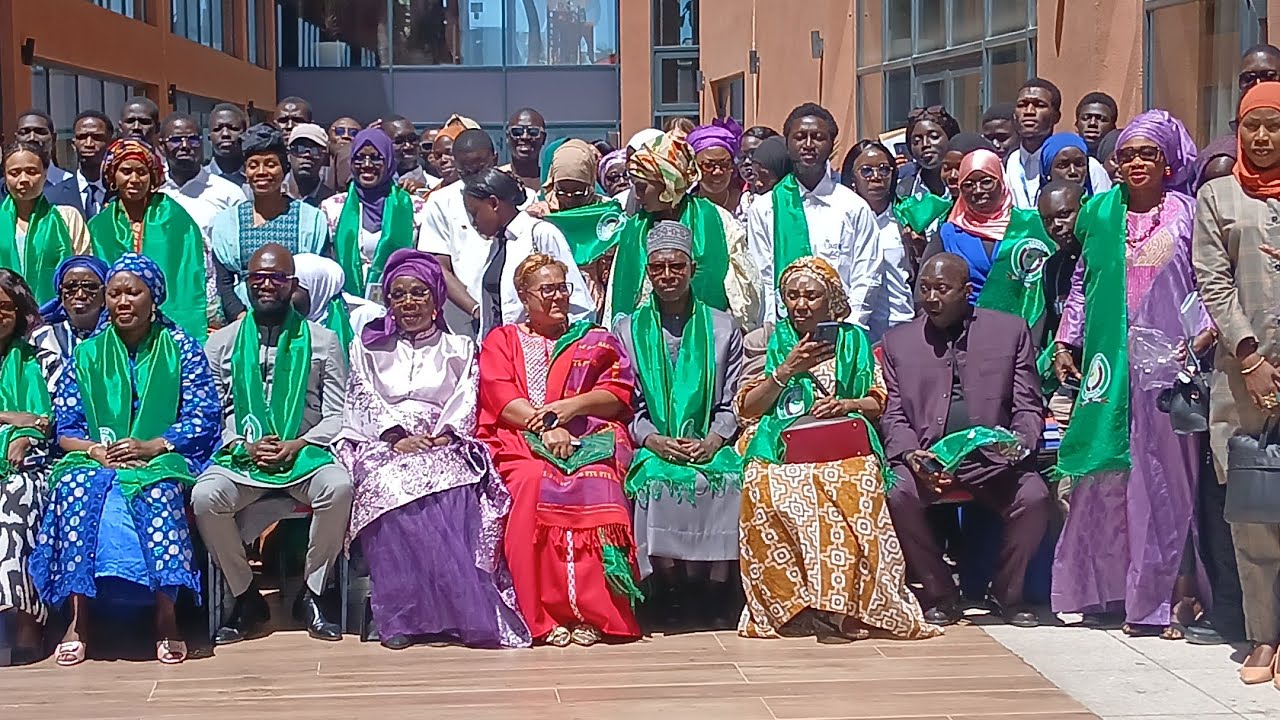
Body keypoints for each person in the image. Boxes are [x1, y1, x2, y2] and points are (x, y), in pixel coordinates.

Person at [1051, 109, 1213, 638]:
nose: (1136, 162)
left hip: (1171, 366)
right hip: (1107, 364)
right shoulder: (1098, 212)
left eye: (1148, 154)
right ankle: (1105, 592)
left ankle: (1163, 599)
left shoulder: (1189, 214)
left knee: (1164, 481)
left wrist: (1201, 338)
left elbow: (1209, 283)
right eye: (1126, 155)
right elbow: (1082, 280)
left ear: (1168, 162)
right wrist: (1066, 338)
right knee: (1102, 476)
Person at [733, 255, 940, 641]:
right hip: (784, 443)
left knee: (852, 485)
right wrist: (785, 371)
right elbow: (747, 407)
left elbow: (877, 400)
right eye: (792, 296)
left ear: (831, 301)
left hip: (842, 442)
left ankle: (841, 608)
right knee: (766, 486)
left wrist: (846, 404)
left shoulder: (854, 341)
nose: (801, 304)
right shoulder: (773, 341)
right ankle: (792, 607)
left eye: (811, 296)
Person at [30, 253, 220, 666]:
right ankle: (79, 619)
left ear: (154, 299)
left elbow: (203, 416)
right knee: (75, 489)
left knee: (156, 490)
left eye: (133, 292)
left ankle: (165, 617)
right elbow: (66, 428)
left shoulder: (182, 348)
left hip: (162, 456)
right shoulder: (87, 354)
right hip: (96, 458)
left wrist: (153, 445)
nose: (122, 301)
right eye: (113, 294)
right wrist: (96, 451)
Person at [337, 249, 529, 650]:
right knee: (387, 488)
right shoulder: (367, 346)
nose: (409, 303)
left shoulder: (459, 347)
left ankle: (452, 612)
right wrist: (395, 436)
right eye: (399, 294)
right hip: (382, 442)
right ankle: (402, 614)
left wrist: (444, 436)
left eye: (419, 293)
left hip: (443, 438)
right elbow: (362, 396)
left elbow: (466, 397)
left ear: (437, 297)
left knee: (455, 490)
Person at [477, 253, 643, 647]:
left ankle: (594, 615)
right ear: (524, 295)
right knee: (535, 481)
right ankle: (543, 616)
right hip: (519, 439)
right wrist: (546, 425)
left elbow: (617, 393)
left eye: (563, 288)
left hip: (588, 433)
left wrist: (572, 408)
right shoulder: (504, 339)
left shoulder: (595, 338)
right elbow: (501, 395)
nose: (558, 298)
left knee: (596, 482)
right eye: (547, 290)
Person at [881, 253, 1051, 627]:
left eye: (942, 289)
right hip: (930, 463)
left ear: (966, 291)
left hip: (995, 461)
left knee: (1035, 497)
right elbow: (893, 414)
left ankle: (1007, 594)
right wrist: (912, 455)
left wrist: (1019, 444)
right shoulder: (899, 342)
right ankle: (941, 591)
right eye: (924, 289)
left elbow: (1028, 405)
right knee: (898, 494)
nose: (931, 298)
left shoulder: (1009, 331)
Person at [194, 244, 352, 645]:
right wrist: (241, 445)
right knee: (205, 496)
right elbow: (212, 415)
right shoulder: (221, 344)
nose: (267, 285)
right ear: (246, 284)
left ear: (292, 284)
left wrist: (300, 442)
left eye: (276, 278)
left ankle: (312, 594)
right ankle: (246, 596)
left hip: (305, 456)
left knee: (339, 487)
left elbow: (337, 414)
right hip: (242, 458)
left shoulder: (325, 341)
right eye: (258, 278)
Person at [613, 221, 744, 629]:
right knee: (654, 481)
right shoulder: (627, 329)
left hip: (708, 440)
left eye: (676, 267)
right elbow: (624, 404)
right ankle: (668, 589)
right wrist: (652, 440)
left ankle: (715, 590)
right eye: (658, 269)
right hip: (653, 444)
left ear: (692, 268)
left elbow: (733, 401)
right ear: (648, 273)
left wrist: (713, 439)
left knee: (727, 479)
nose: (667, 276)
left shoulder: (723, 327)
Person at [1194, 81, 1280, 681]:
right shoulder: (1217, 197)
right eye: (1253, 125)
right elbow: (1213, 280)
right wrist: (1250, 359)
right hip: (1241, 376)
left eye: (1274, 125)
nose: (1263, 137)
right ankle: (1263, 637)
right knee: (1253, 511)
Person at [747, 103, 881, 329]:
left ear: (831, 145)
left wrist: (850, 326)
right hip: (783, 332)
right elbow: (763, 276)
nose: (808, 145)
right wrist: (773, 331)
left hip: (841, 331)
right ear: (788, 144)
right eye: (800, 137)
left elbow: (867, 273)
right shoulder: (765, 207)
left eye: (818, 137)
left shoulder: (853, 207)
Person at [611, 132, 760, 331]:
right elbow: (617, 288)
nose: (637, 196)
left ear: (666, 184)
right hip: (644, 337)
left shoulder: (717, 219)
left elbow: (743, 284)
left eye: (642, 187)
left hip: (710, 335)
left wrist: (728, 330)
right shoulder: (634, 228)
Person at [920, 149, 1056, 345]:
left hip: (1026, 335)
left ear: (1001, 180)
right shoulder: (949, 233)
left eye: (986, 181)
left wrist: (1034, 342)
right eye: (968, 184)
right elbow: (923, 289)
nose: (977, 190)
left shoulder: (1030, 225)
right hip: (964, 340)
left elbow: (1044, 289)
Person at [0, 270, 66, 664]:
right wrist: (12, 417)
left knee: (16, 503)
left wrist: (28, 431)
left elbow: (53, 420)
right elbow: (28, 417)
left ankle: (27, 620)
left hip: (32, 465)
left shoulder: (42, 361)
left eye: (6, 306)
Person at [89, 139, 209, 339]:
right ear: (113, 176)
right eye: (126, 171)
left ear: (152, 176)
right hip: (116, 322)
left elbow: (195, 269)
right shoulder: (99, 225)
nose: (134, 179)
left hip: (172, 321)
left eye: (142, 172)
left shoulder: (174, 216)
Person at [452, 168, 593, 337]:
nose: (474, 222)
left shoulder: (540, 234)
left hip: (539, 349)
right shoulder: (498, 245)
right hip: (502, 351)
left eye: (475, 213)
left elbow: (579, 305)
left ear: (494, 203)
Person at [211, 124, 331, 322]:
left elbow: (321, 273)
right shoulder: (228, 223)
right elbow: (224, 282)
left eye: (270, 164)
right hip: (245, 321)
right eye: (253, 165)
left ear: (284, 169)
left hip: (299, 322)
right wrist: (241, 317)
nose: (261, 172)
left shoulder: (311, 219)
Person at [320, 129, 427, 299]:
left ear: (390, 160)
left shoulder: (415, 207)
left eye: (376, 158)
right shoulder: (332, 208)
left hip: (400, 305)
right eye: (360, 158)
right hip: (347, 307)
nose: (367, 164)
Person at [1, 141, 90, 303]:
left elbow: (84, 270)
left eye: (32, 172)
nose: (23, 180)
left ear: (45, 173)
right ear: (5, 176)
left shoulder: (68, 218)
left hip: (57, 317)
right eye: (14, 173)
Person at [841, 140, 911, 342]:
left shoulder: (905, 217)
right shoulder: (843, 219)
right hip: (859, 329)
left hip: (902, 325)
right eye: (866, 171)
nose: (876, 177)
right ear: (852, 178)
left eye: (884, 170)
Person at [540, 140, 620, 317]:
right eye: (562, 190)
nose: (569, 199)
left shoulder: (607, 213)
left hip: (600, 301)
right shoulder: (540, 214)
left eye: (578, 192)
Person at [1005, 79, 1112, 208]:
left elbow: (1103, 214)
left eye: (1039, 105)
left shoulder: (1088, 166)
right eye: (1022, 105)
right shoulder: (1008, 164)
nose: (1029, 111)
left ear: (1056, 116)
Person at [156, 112, 248, 241]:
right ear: (161, 146)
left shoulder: (229, 193)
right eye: (176, 140)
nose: (185, 146)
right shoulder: (154, 192)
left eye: (192, 140)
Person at [1036, 179, 1084, 348]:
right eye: (1047, 220)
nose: (1056, 225)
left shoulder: (1111, 258)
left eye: (1064, 215)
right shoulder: (1052, 268)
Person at [38, 256, 108, 360]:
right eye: (71, 287)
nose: (80, 295)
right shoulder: (45, 337)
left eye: (90, 287)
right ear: (60, 294)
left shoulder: (115, 336)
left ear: (104, 294)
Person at [13, 110, 81, 213]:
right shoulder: (5, 186)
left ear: (53, 138)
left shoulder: (72, 183)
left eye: (40, 132)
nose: (32, 138)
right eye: (25, 132)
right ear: (16, 138)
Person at [897, 106, 961, 200]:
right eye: (917, 140)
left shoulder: (967, 182)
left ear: (951, 138)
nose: (925, 144)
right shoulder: (902, 186)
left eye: (934, 137)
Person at [687, 120, 745, 217]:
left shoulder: (747, 206)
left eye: (724, 165)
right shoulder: (686, 208)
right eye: (709, 165)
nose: (717, 172)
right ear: (694, 167)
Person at [70, 110, 113, 220]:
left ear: (110, 143)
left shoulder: (122, 193)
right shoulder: (55, 194)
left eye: (97, 137)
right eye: (82, 137)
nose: (89, 144)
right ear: (73, 144)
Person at [285, 123, 336, 207]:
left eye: (315, 150)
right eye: (299, 149)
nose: (307, 155)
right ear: (288, 155)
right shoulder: (271, 192)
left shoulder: (331, 202)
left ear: (325, 158)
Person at [383, 115, 438, 190]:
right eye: (399, 141)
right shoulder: (377, 189)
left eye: (412, 139)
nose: (409, 146)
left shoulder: (436, 186)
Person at [501, 108, 547, 190]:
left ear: (543, 138)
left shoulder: (551, 180)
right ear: (507, 137)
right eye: (517, 132)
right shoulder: (495, 179)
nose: (525, 137)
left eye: (533, 132)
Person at [207, 103, 250, 191]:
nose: (225, 134)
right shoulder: (200, 180)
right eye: (217, 129)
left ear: (246, 135)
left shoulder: (258, 178)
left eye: (233, 128)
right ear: (209, 138)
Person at [1074, 92, 1120, 159]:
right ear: (1076, 126)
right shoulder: (1067, 161)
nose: (1092, 123)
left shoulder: (1120, 161)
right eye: (1086, 118)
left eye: (1101, 119)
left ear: (1113, 127)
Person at [737, 125, 780, 189]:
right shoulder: (738, 193)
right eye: (741, 155)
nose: (746, 162)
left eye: (753, 153)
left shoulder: (791, 192)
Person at [328, 116, 361, 190]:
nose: (346, 136)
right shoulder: (317, 171)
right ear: (328, 138)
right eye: (339, 131)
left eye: (353, 133)